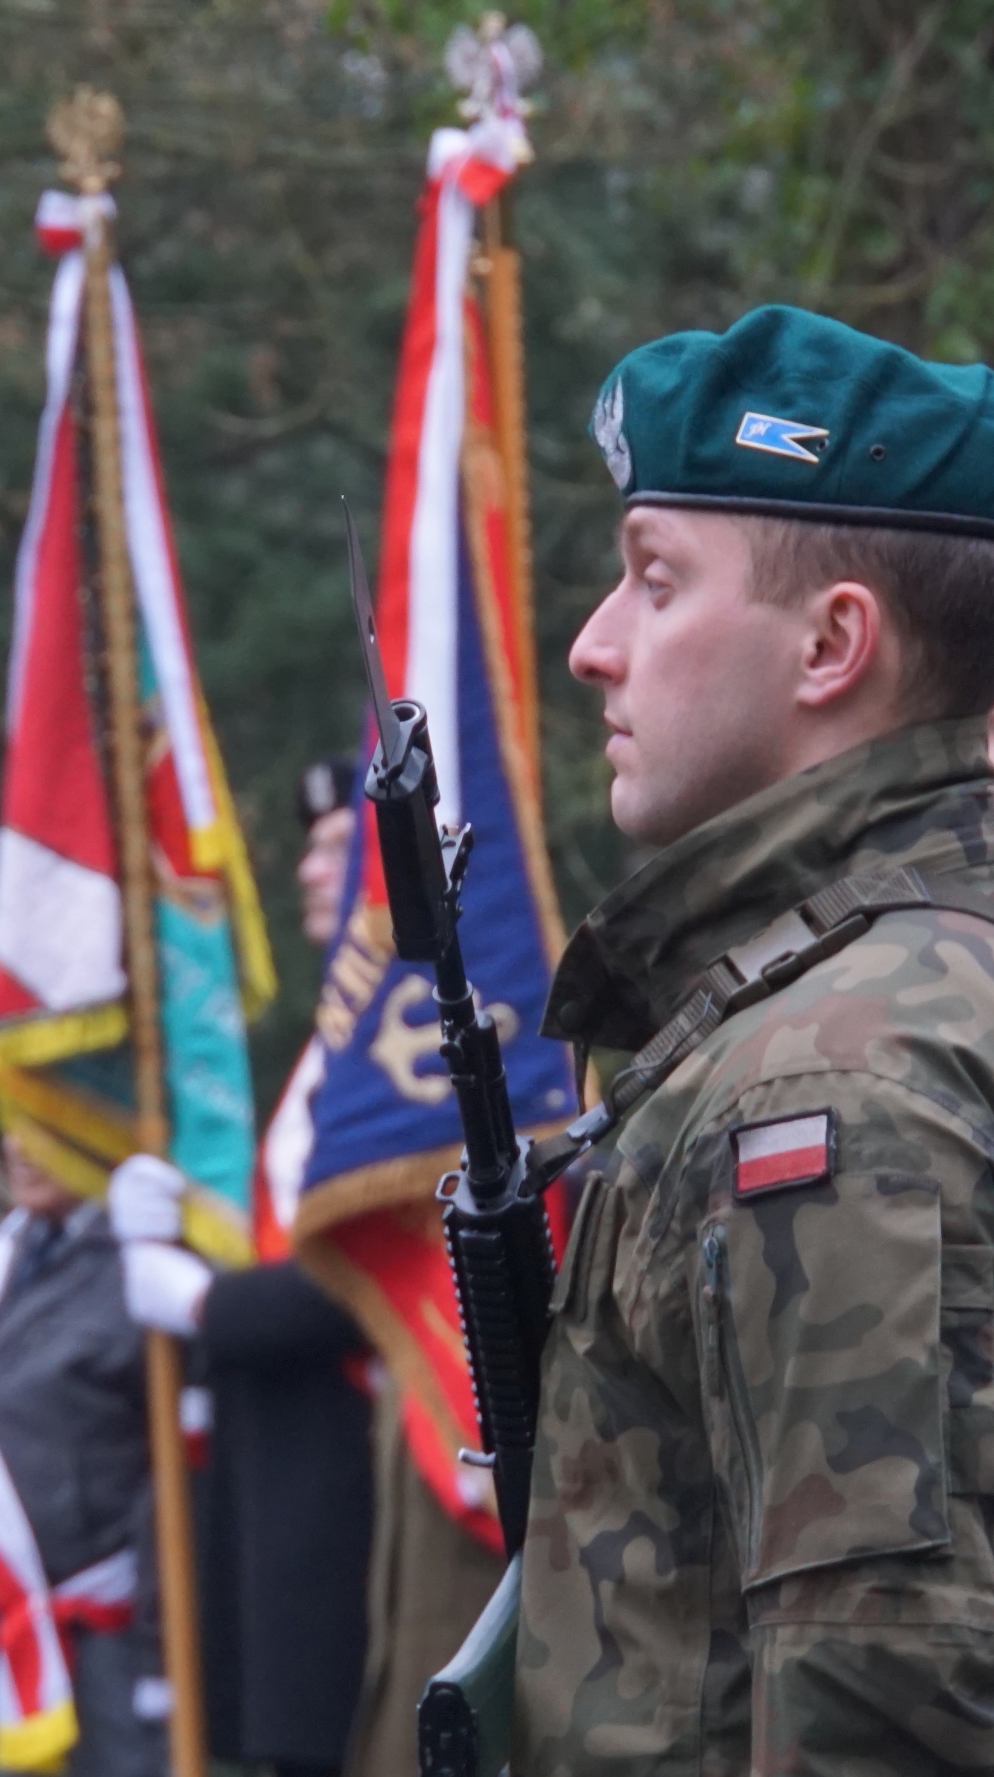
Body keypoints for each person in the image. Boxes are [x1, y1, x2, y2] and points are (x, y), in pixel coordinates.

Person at [512, 305, 994, 1775]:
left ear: (832, 643)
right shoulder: (911, 985)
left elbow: (884, 1703)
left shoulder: (830, 1081)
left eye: (655, 580)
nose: (594, 646)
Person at [110, 758, 373, 1777]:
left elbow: (377, 1276)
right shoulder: (334, 1044)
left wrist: (203, 1303)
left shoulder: (418, 1047)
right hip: (281, 1500)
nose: (308, 868)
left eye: (339, 848)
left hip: (362, 1500)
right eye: (311, 848)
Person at [0, 1135, 167, 1777]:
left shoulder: (147, 1258)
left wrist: (162, 1652)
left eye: (44, 1121)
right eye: (14, 1121)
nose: (20, 1146)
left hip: (112, 1643)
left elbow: (182, 1471)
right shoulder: (8, 1251)